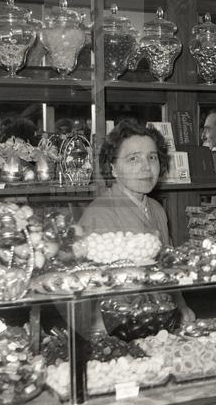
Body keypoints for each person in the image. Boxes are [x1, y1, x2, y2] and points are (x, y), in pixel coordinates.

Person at [79, 119, 194, 329]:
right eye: (134, 158)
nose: (146, 167)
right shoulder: (99, 213)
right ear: (113, 168)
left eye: (152, 157)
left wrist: (181, 307)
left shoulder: (156, 209)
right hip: (118, 326)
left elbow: (167, 268)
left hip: (156, 319)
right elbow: (90, 294)